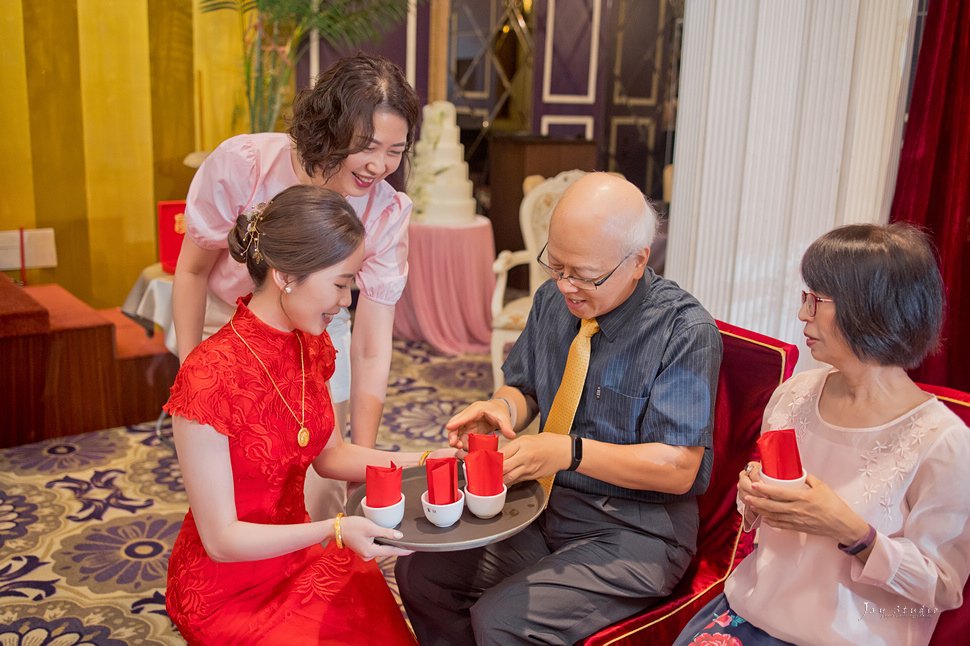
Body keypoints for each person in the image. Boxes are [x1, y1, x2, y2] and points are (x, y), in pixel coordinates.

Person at [395, 172, 724, 645]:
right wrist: (499, 407)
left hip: (634, 533)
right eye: (556, 264)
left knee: (502, 620)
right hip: (544, 507)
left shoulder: (684, 331)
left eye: (585, 275)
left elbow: (680, 468)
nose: (566, 286)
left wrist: (567, 452)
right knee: (422, 576)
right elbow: (525, 385)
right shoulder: (553, 301)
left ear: (638, 261)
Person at [165, 185, 449, 645]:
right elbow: (221, 539)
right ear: (285, 276)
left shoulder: (308, 347)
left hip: (300, 557)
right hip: (228, 587)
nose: (346, 300)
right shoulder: (208, 376)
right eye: (340, 283)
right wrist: (334, 528)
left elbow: (331, 456)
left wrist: (432, 459)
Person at [673, 223, 970, 646]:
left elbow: (941, 587)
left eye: (817, 300)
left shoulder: (942, 443)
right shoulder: (794, 396)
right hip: (751, 613)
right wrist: (753, 495)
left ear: (872, 309)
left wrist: (853, 533)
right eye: (804, 297)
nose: (802, 314)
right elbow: (757, 522)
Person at [173, 53, 419, 451]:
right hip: (227, 325)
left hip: (320, 328)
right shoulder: (246, 166)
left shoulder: (384, 211)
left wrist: (364, 457)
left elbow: (372, 347)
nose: (379, 166)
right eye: (367, 146)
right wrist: (190, 371)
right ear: (330, 128)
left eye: (395, 150)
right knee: (242, 464)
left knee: (323, 474)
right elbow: (192, 272)